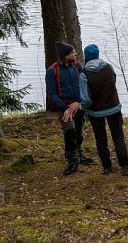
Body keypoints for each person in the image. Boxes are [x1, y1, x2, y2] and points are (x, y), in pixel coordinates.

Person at [79, 44, 128, 176]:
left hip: (95, 112)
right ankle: (125, 166)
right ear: (98, 54)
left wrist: (84, 109)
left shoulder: (84, 75)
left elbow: (85, 99)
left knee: (100, 138)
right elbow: (113, 82)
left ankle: (107, 167)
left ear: (86, 56)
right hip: (114, 107)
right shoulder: (109, 67)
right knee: (118, 137)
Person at [46, 41, 93, 176]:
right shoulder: (52, 71)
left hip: (78, 105)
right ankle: (72, 162)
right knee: (70, 132)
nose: (75, 54)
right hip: (65, 108)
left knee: (78, 132)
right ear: (66, 56)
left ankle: (79, 155)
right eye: (72, 52)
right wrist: (65, 108)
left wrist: (79, 102)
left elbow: (85, 84)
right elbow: (52, 93)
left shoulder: (78, 66)